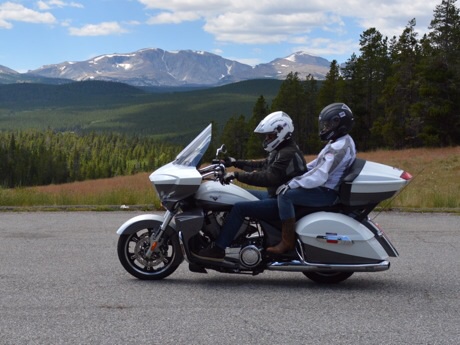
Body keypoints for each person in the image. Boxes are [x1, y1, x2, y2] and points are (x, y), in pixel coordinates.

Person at [194, 111, 307, 261]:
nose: (267, 139)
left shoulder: (288, 153)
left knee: (240, 208)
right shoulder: (281, 150)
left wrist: (236, 175)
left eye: (270, 135)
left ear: (282, 132)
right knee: (235, 193)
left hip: (281, 202)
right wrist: (234, 162)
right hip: (275, 196)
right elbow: (262, 164)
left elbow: (269, 177)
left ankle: (219, 248)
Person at [266, 103, 356, 255]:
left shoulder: (339, 147)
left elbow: (320, 174)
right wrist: (297, 173)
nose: (324, 128)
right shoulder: (339, 142)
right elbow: (315, 165)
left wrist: (292, 184)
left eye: (327, 125)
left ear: (338, 124)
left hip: (327, 192)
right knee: (286, 189)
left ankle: (287, 241)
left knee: (285, 195)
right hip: (325, 188)